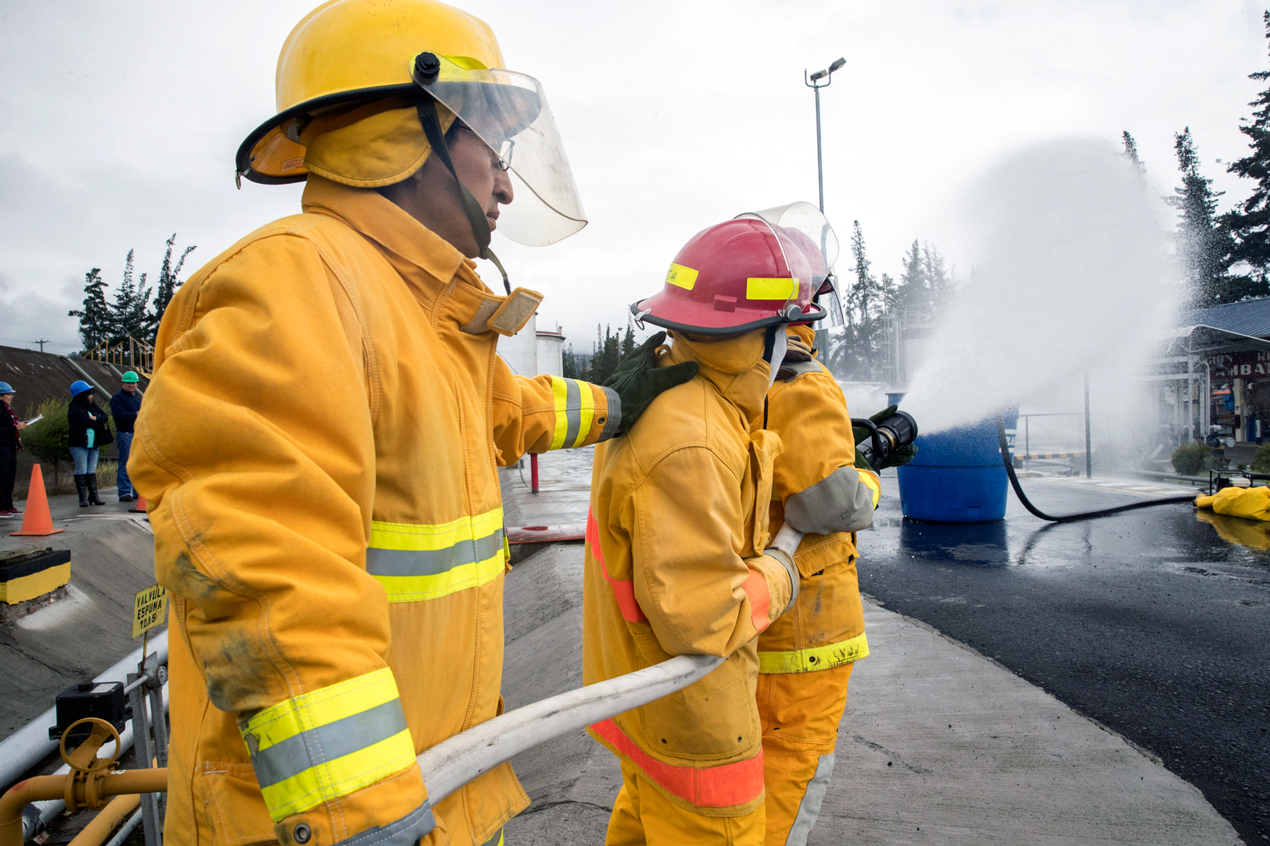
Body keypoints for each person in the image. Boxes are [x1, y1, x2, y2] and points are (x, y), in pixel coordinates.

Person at [127, 3, 693, 845]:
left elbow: (508, 411)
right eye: (490, 149)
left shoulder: (416, 310)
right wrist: (358, 815)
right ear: (401, 129)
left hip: (443, 792)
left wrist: (620, 400)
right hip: (341, 815)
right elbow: (260, 561)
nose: (505, 183)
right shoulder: (298, 281)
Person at [583, 215, 830, 845]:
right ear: (766, 332)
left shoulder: (678, 396)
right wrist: (783, 568)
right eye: (789, 331)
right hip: (697, 724)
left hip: (648, 705)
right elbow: (705, 619)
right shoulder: (694, 438)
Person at [737, 204, 914, 846]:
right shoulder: (800, 378)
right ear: (806, 300)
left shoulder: (728, 375)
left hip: (741, 616)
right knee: (789, 765)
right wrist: (866, 470)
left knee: (714, 778)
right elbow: (830, 503)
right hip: (805, 625)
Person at [68, 381, 111, 508]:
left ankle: (93, 495)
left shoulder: (91, 405)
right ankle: (82, 497)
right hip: (79, 443)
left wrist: (97, 418)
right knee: (81, 468)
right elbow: (85, 422)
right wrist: (96, 421)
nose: (91, 396)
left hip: (93, 443)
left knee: (91, 469)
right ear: (81, 395)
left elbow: (105, 416)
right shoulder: (74, 408)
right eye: (89, 393)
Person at [109, 371, 142, 502]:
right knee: (126, 463)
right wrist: (135, 414)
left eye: (133, 383)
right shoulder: (118, 398)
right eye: (128, 383)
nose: (131, 385)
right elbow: (118, 415)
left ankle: (137, 492)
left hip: (137, 434)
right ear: (123, 383)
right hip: (125, 433)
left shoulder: (136, 398)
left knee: (138, 464)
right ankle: (124, 492)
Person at [0, 382, 27, 517]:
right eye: (8, 394)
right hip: (2, 446)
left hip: (10, 445)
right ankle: (1, 507)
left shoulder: (7, 410)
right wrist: (15, 428)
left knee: (10, 477)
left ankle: (8, 505)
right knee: (2, 477)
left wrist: (18, 425)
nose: (11, 396)